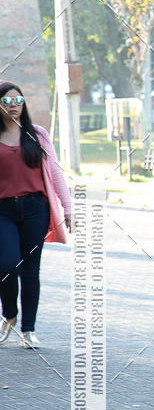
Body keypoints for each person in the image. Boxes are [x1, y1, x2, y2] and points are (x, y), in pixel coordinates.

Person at [0, 82, 71, 349]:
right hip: (3, 211)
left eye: (18, 100)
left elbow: (55, 173)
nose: (14, 105)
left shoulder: (37, 134)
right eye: (7, 101)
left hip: (35, 209)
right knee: (7, 266)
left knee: (30, 270)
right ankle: (9, 314)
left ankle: (28, 330)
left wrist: (68, 208)